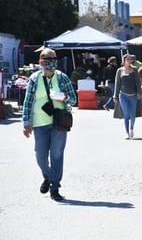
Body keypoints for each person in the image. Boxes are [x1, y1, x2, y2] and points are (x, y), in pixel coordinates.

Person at [22, 48, 77, 201]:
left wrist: (64, 97)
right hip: (39, 123)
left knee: (57, 155)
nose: (51, 61)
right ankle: (47, 176)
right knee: (40, 156)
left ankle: (54, 187)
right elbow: (27, 102)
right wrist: (26, 123)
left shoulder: (62, 78)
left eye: (53, 58)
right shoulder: (34, 78)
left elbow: (73, 99)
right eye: (47, 58)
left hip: (59, 122)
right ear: (41, 61)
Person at [113, 54, 142, 140]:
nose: (129, 61)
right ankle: (126, 132)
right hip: (123, 95)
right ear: (124, 60)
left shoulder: (134, 70)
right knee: (126, 114)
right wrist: (115, 95)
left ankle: (131, 128)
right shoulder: (119, 70)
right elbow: (117, 83)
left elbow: (138, 82)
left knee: (132, 114)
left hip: (133, 94)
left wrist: (139, 93)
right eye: (128, 59)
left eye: (130, 59)